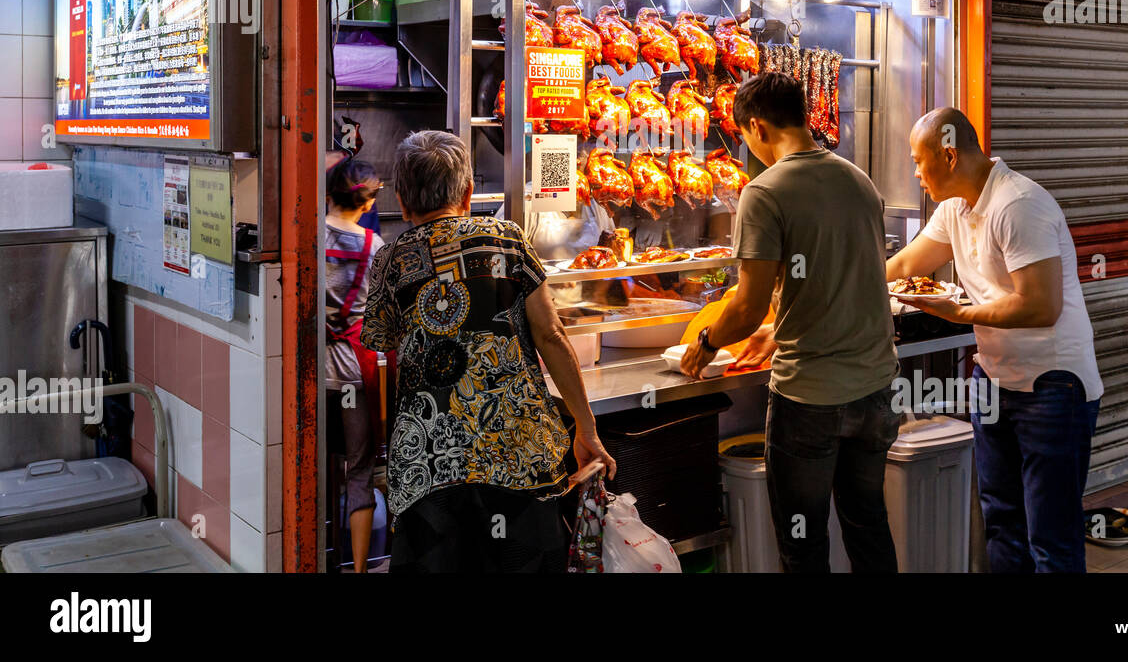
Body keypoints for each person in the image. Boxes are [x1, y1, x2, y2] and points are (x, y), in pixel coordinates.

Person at [362, 130, 616, 573]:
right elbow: (552, 336)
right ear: (466, 193)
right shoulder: (506, 239)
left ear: (402, 200)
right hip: (520, 453)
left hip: (430, 464)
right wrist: (586, 429)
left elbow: (387, 359)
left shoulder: (390, 260)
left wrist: (393, 449)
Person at [679, 73, 900, 573]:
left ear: (756, 126)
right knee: (868, 526)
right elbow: (841, 278)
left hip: (811, 399)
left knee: (803, 544)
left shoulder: (765, 192)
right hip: (876, 390)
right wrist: (778, 331)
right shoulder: (857, 179)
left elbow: (746, 306)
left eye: (743, 137)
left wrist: (708, 341)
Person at [886, 107, 1103, 573]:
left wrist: (959, 312)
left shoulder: (1018, 204)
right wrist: (836, 287)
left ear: (947, 155)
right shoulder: (955, 209)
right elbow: (905, 266)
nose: (915, 173)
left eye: (917, 161)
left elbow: (1041, 306)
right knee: (1002, 522)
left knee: (1050, 537)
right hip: (994, 380)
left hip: (1052, 386)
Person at [323, 158, 385, 572]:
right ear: (367, 203)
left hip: (312, 375)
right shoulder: (374, 247)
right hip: (353, 377)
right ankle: (360, 569)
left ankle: (317, 556)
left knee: (316, 466)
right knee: (359, 471)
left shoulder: (306, 237)